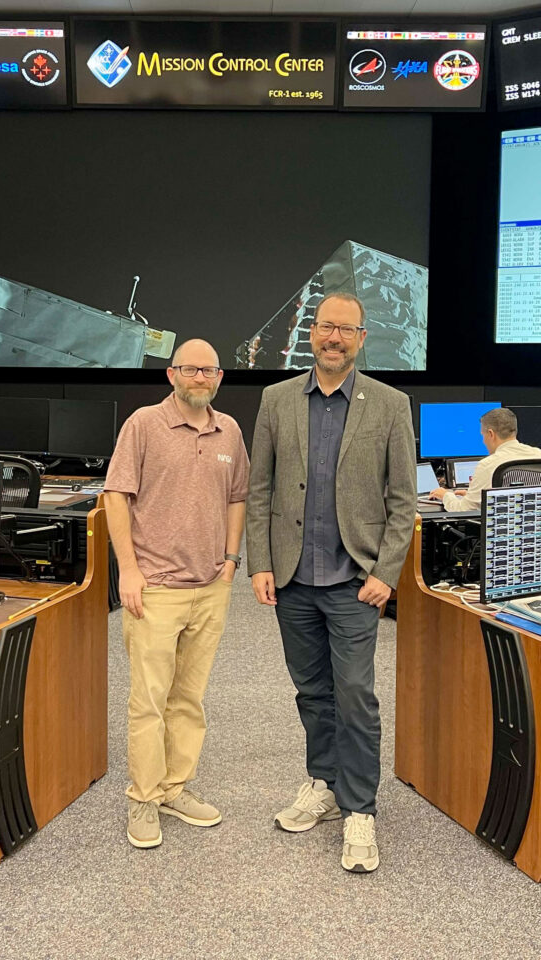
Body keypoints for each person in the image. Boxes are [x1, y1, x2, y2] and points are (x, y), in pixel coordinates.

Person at [246, 292, 416, 873]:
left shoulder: (391, 405)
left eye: (346, 329)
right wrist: (260, 562)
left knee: (356, 696)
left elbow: (402, 500)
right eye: (325, 327)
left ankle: (360, 807)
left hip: (354, 582)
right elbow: (261, 490)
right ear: (311, 334)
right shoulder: (275, 400)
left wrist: (385, 575)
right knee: (312, 691)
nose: (334, 338)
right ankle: (321, 781)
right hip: (292, 579)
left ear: (361, 339)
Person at [104, 340, 249, 849]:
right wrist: (128, 570)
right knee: (148, 700)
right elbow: (115, 497)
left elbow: (237, 499)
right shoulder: (143, 425)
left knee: (188, 698)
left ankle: (174, 788)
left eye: (208, 370)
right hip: (155, 590)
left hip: (211, 588)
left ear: (219, 377)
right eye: (190, 368)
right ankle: (143, 800)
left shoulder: (229, 430)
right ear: (171, 374)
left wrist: (231, 563)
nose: (199, 377)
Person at [429, 407, 541, 511]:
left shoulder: (488, 464)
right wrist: (474, 495)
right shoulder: (538, 454)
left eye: (483, 435)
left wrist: (445, 496)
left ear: (491, 434)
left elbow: (464, 509)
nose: (483, 441)